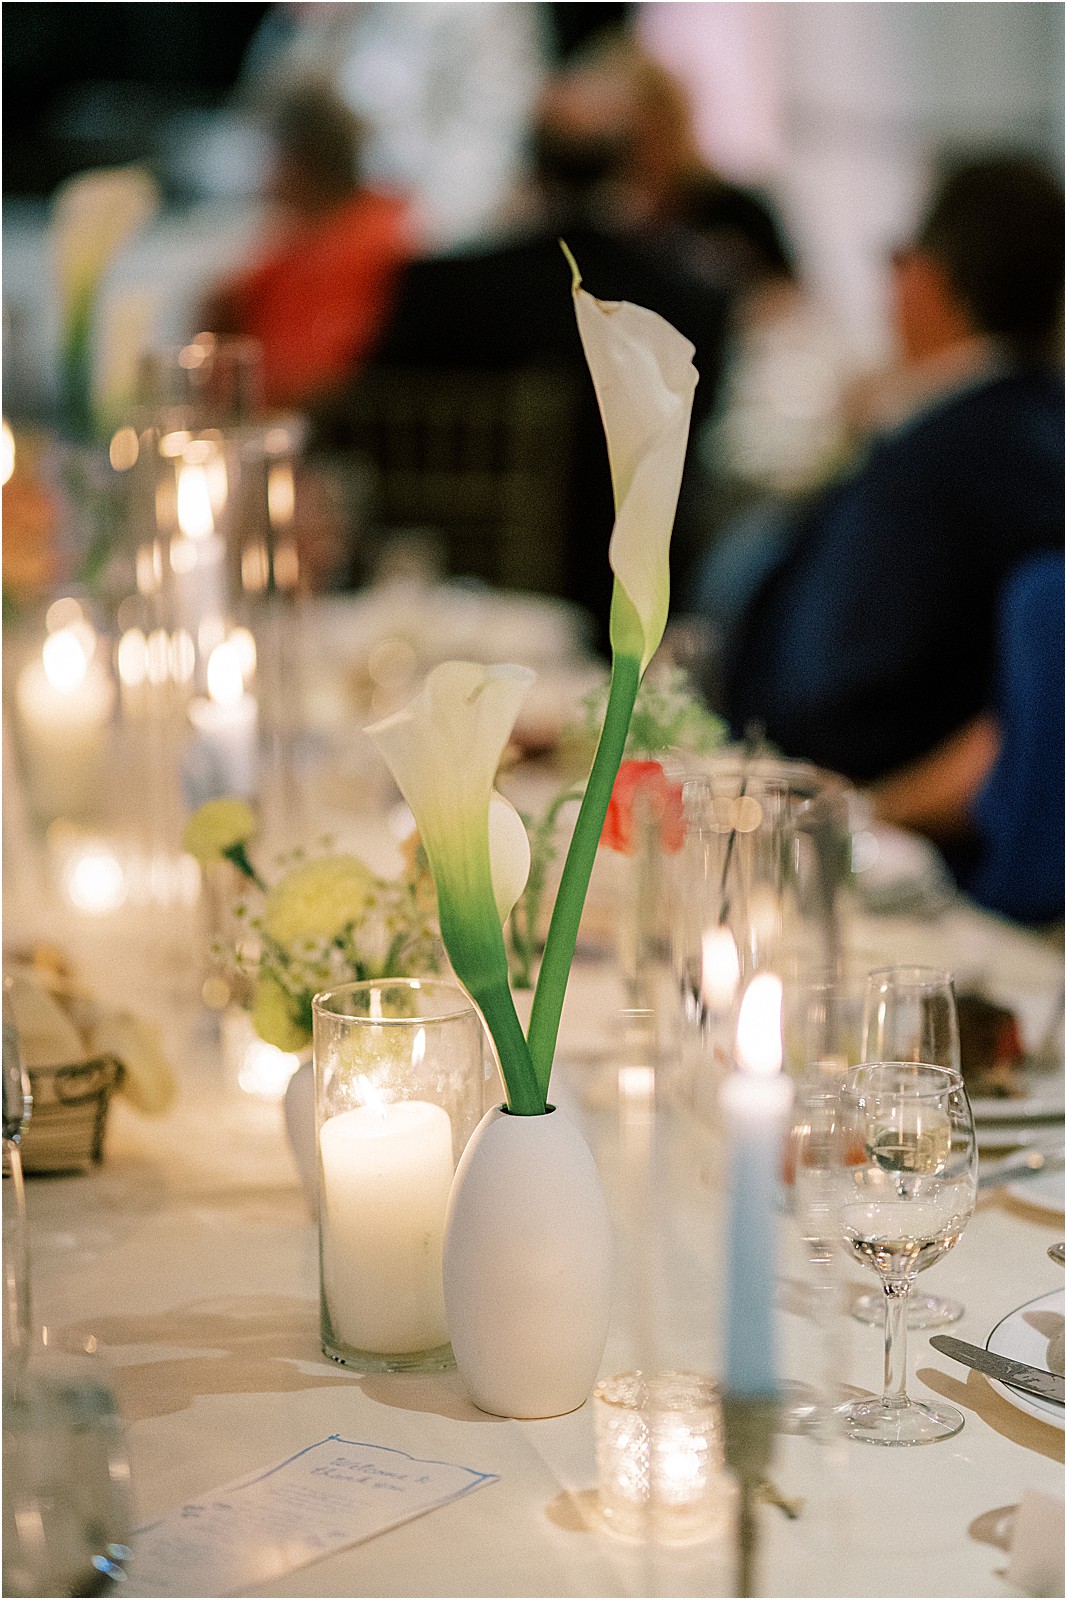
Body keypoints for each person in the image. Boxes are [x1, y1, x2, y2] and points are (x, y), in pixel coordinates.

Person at [314, 65, 730, 651]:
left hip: (446, 585)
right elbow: (697, 438)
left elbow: (363, 416)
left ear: (531, 163)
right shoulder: (688, 301)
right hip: (606, 591)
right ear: (627, 165)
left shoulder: (439, 286)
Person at [719, 153, 1064, 785]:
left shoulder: (937, 462)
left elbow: (826, 683)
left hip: (859, 812)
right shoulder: (1036, 426)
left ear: (931, 279)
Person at [871, 551, 1064, 926]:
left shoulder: (1046, 601)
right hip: (998, 909)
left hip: (1023, 922)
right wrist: (867, 809)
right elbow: (1002, 746)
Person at [203, 82, 413, 412]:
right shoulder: (311, 231)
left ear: (299, 161)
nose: (261, 172)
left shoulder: (369, 238)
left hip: (333, 434)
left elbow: (327, 375)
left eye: (267, 155)